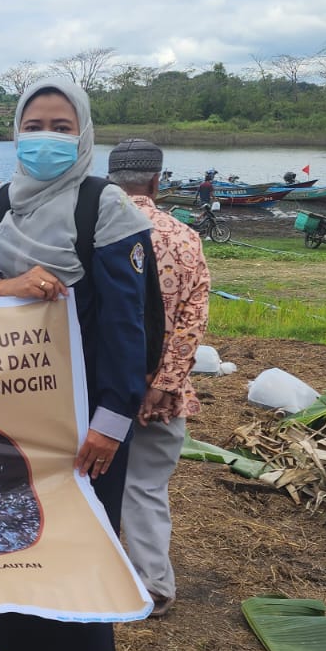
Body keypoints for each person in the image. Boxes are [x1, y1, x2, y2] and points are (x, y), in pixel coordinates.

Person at [0, 78, 155, 651]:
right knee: (8, 521)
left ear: (83, 133)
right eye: (35, 125)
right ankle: (18, 643)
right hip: (8, 406)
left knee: (76, 532)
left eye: (63, 127)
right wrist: (4, 285)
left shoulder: (105, 207)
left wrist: (112, 422)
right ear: (15, 129)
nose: (47, 139)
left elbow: (127, 326)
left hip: (86, 410)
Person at [107, 138, 211, 619]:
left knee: (83, 483)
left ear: (110, 181)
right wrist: (165, 384)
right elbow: (193, 321)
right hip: (160, 397)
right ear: (156, 180)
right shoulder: (185, 238)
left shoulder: (94, 233)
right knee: (146, 487)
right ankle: (153, 586)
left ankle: (90, 577)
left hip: (98, 389)